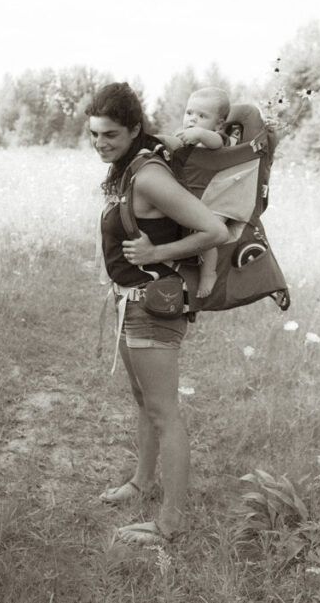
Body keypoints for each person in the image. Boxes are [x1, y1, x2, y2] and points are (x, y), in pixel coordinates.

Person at [89, 82, 229, 546]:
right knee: (144, 402)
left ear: (134, 129)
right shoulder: (128, 170)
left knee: (165, 412)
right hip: (131, 302)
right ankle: (141, 482)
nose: (100, 143)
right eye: (93, 135)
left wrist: (157, 252)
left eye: (110, 134)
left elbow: (213, 230)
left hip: (154, 305)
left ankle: (170, 522)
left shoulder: (148, 175)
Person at [169, 87, 235, 298]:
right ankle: (180, 270)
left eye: (202, 116)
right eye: (189, 113)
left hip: (217, 201)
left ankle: (209, 273)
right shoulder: (185, 141)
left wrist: (199, 134)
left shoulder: (216, 139)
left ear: (219, 124)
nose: (192, 120)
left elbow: (215, 142)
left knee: (207, 232)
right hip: (194, 199)